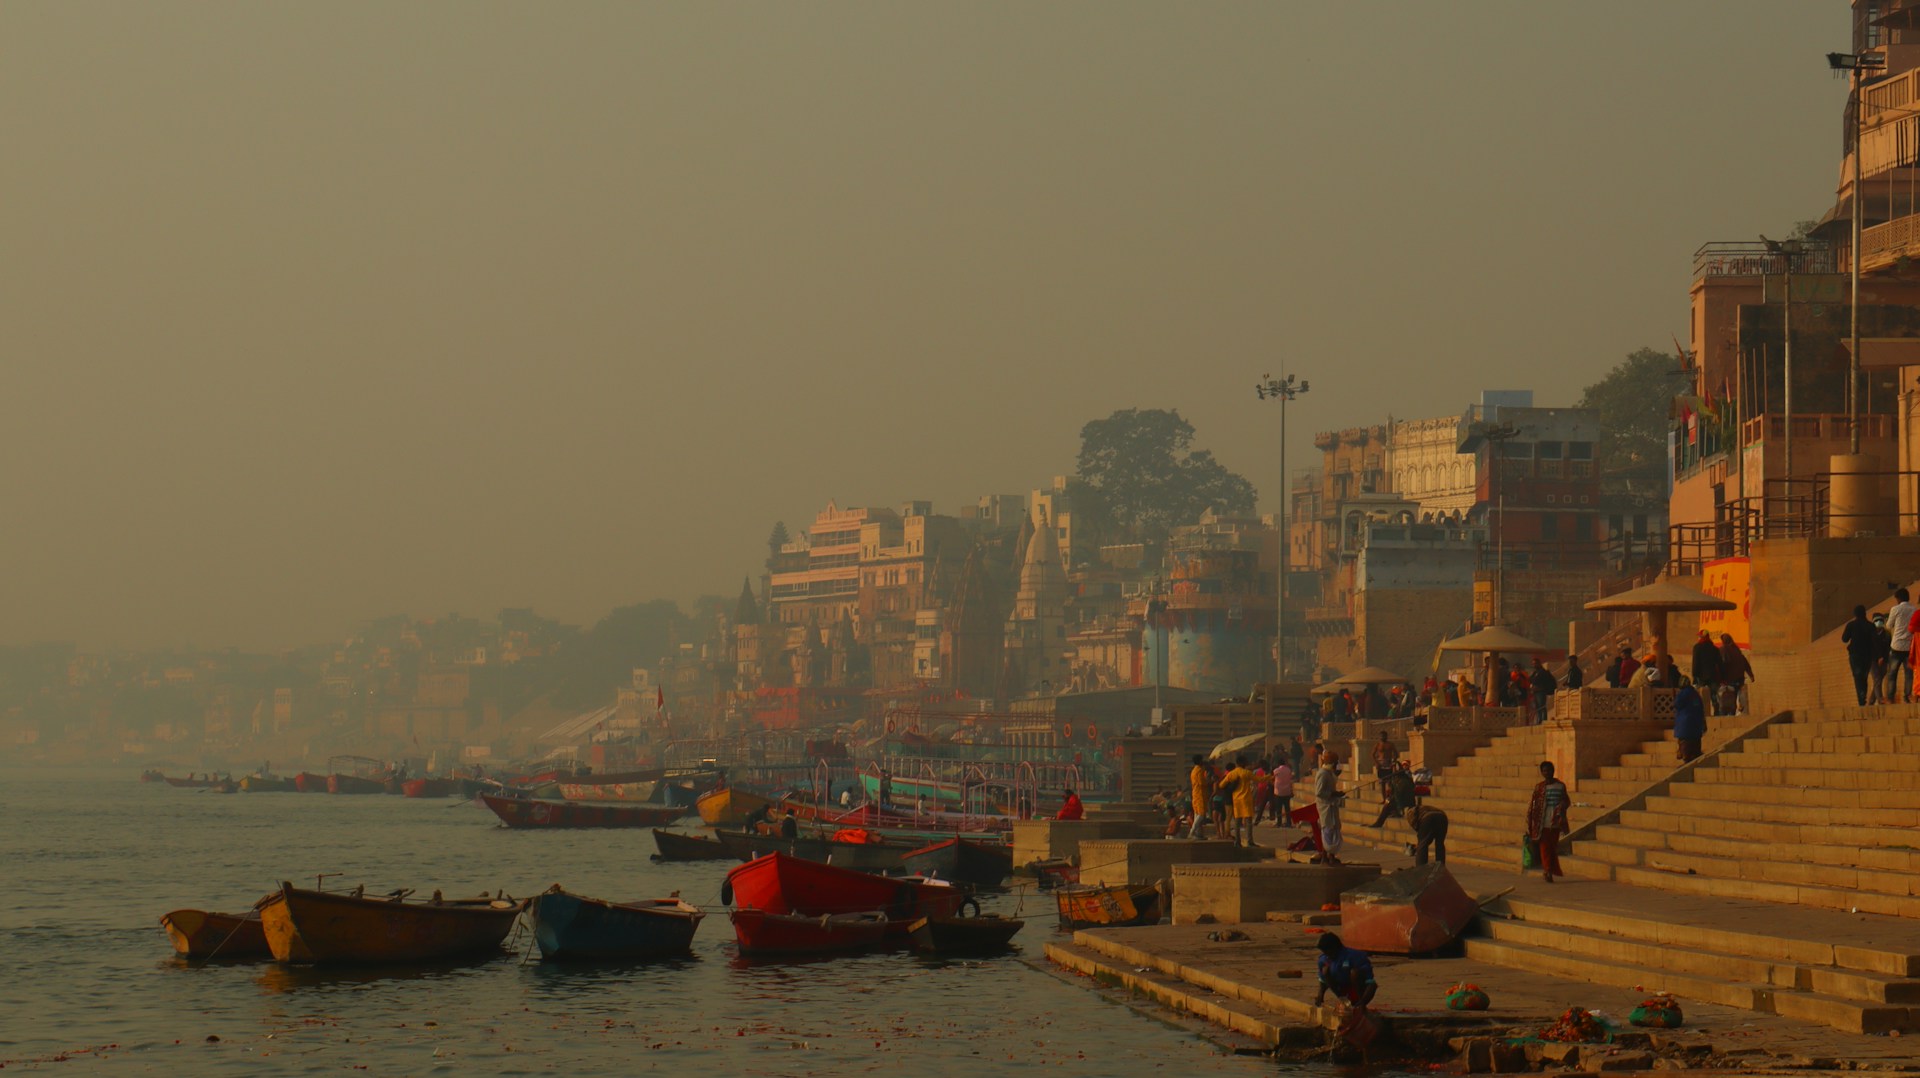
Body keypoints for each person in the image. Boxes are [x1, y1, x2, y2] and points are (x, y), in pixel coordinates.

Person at [1526, 761, 1570, 883]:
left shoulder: (1560, 786)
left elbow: (1566, 801)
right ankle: (1547, 871)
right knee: (1544, 847)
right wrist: (1531, 823)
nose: (1547, 773)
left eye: (1549, 770)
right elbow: (1533, 806)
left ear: (1553, 771)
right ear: (1542, 773)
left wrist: (1560, 808)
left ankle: (1550, 869)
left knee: (1552, 847)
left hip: (1555, 822)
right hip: (1542, 823)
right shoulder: (1539, 787)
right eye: (1544, 771)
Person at [1312, 932, 1378, 1012]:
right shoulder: (1324, 960)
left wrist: (1363, 1002)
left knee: (1355, 972)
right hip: (1342, 991)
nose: (1327, 954)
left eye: (1327, 951)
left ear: (1335, 947)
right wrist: (1320, 995)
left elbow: (1371, 984)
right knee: (1325, 970)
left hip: (1358, 991)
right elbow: (1322, 980)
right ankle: (1344, 1000)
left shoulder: (1355, 956)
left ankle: (1360, 1004)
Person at [1842, 604, 1881, 706]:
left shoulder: (1851, 625)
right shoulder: (1870, 625)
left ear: (1855, 614)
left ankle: (1861, 699)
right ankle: (1862, 697)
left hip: (1855, 655)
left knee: (1857, 676)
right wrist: (1877, 655)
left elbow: (1844, 639)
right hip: (1867, 655)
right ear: (1865, 613)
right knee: (1864, 676)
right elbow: (1875, 641)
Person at [1315, 751, 1345, 864]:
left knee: (1333, 830)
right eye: (1336, 762)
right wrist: (1334, 794)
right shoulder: (1323, 774)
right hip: (1325, 807)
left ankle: (1331, 857)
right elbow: (1319, 792)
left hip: (1331, 806)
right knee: (1327, 831)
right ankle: (1324, 857)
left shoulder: (1329, 773)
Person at [1888, 587, 1916, 703]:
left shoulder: (1896, 609)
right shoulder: (1914, 609)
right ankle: (1907, 696)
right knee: (1908, 673)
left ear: (1898, 598)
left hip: (1897, 645)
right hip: (1909, 645)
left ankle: (1890, 697)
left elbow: (1889, 625)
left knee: (1892, 673)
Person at [1718, 633, 1754, 713]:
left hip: (1729, 679)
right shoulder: (1736, 649)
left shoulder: (1723, 650)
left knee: (1729, 697)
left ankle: (1731, 713)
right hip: (1739, 678)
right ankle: (1737, 711)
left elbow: (1722, 665)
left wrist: (1721, 678)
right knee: (1736, 696)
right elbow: (1744, 662)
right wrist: (1751, 675)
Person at [1225, 756, 1256, 846]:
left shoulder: (1231, 774)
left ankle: (1237, 841)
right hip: (1246, 800)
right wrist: (1270, 777)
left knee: (1237, 822)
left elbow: (1221, 784)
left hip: (1236, 800)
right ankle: (1250, 841)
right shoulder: (1247, 773)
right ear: (1243, 763)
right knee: (1248, 821)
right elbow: (1259, 779)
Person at [1673, 681, 1706, 763]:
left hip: (1684, 727)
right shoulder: (1696, 694)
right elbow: (1701, 709)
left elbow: (1677, 705)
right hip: (1696, 726)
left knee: (1686, 749)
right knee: (1695, 750)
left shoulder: (1682, 694)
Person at [1690, 630, 1722, 708]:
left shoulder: (1697, 647)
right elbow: (1719, 663)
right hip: (1713, 676)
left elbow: (1696, 662)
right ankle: (1716, 710)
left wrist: (1694, 675)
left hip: (1701, 676)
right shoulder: (1714, 649)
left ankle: (1702, 711)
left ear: (1702, 637)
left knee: (1700, 695)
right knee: (1714, 694)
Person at [1187, 754, 1213, 840]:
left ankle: (1198, 834)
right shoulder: (1200, 770)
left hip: (1195, 793)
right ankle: (1192, 832)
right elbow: (1202, 783)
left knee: (1197, 814)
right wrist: (1209, 781)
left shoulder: (1194, 770)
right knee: (1201, 814)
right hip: (1200, 794)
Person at [1528, 658, 1557, 725]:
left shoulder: (1543, 672)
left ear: (1539, 663)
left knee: (1542, 706)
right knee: (1537, 707)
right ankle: (1539, 720)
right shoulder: (1535, 672)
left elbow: (1544, 682)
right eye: (1533, 664)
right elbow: (1531, 679)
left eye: (1535, 663)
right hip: (1535, 692)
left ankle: (1544, 720)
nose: (1534, 665)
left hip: (1541, 692)